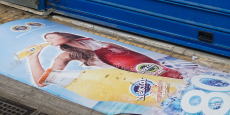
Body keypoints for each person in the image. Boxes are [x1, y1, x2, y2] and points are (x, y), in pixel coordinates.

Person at [27, 31, 184, 85]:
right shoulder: (66, 55)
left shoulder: (94, 42)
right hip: (134, 80)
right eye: (47, 39)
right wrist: (33, 58)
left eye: (51, 36)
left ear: (62, 34)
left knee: (180, 79)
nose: (48, 40)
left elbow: (133, 54)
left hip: (151, 68)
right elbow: (42, 82)